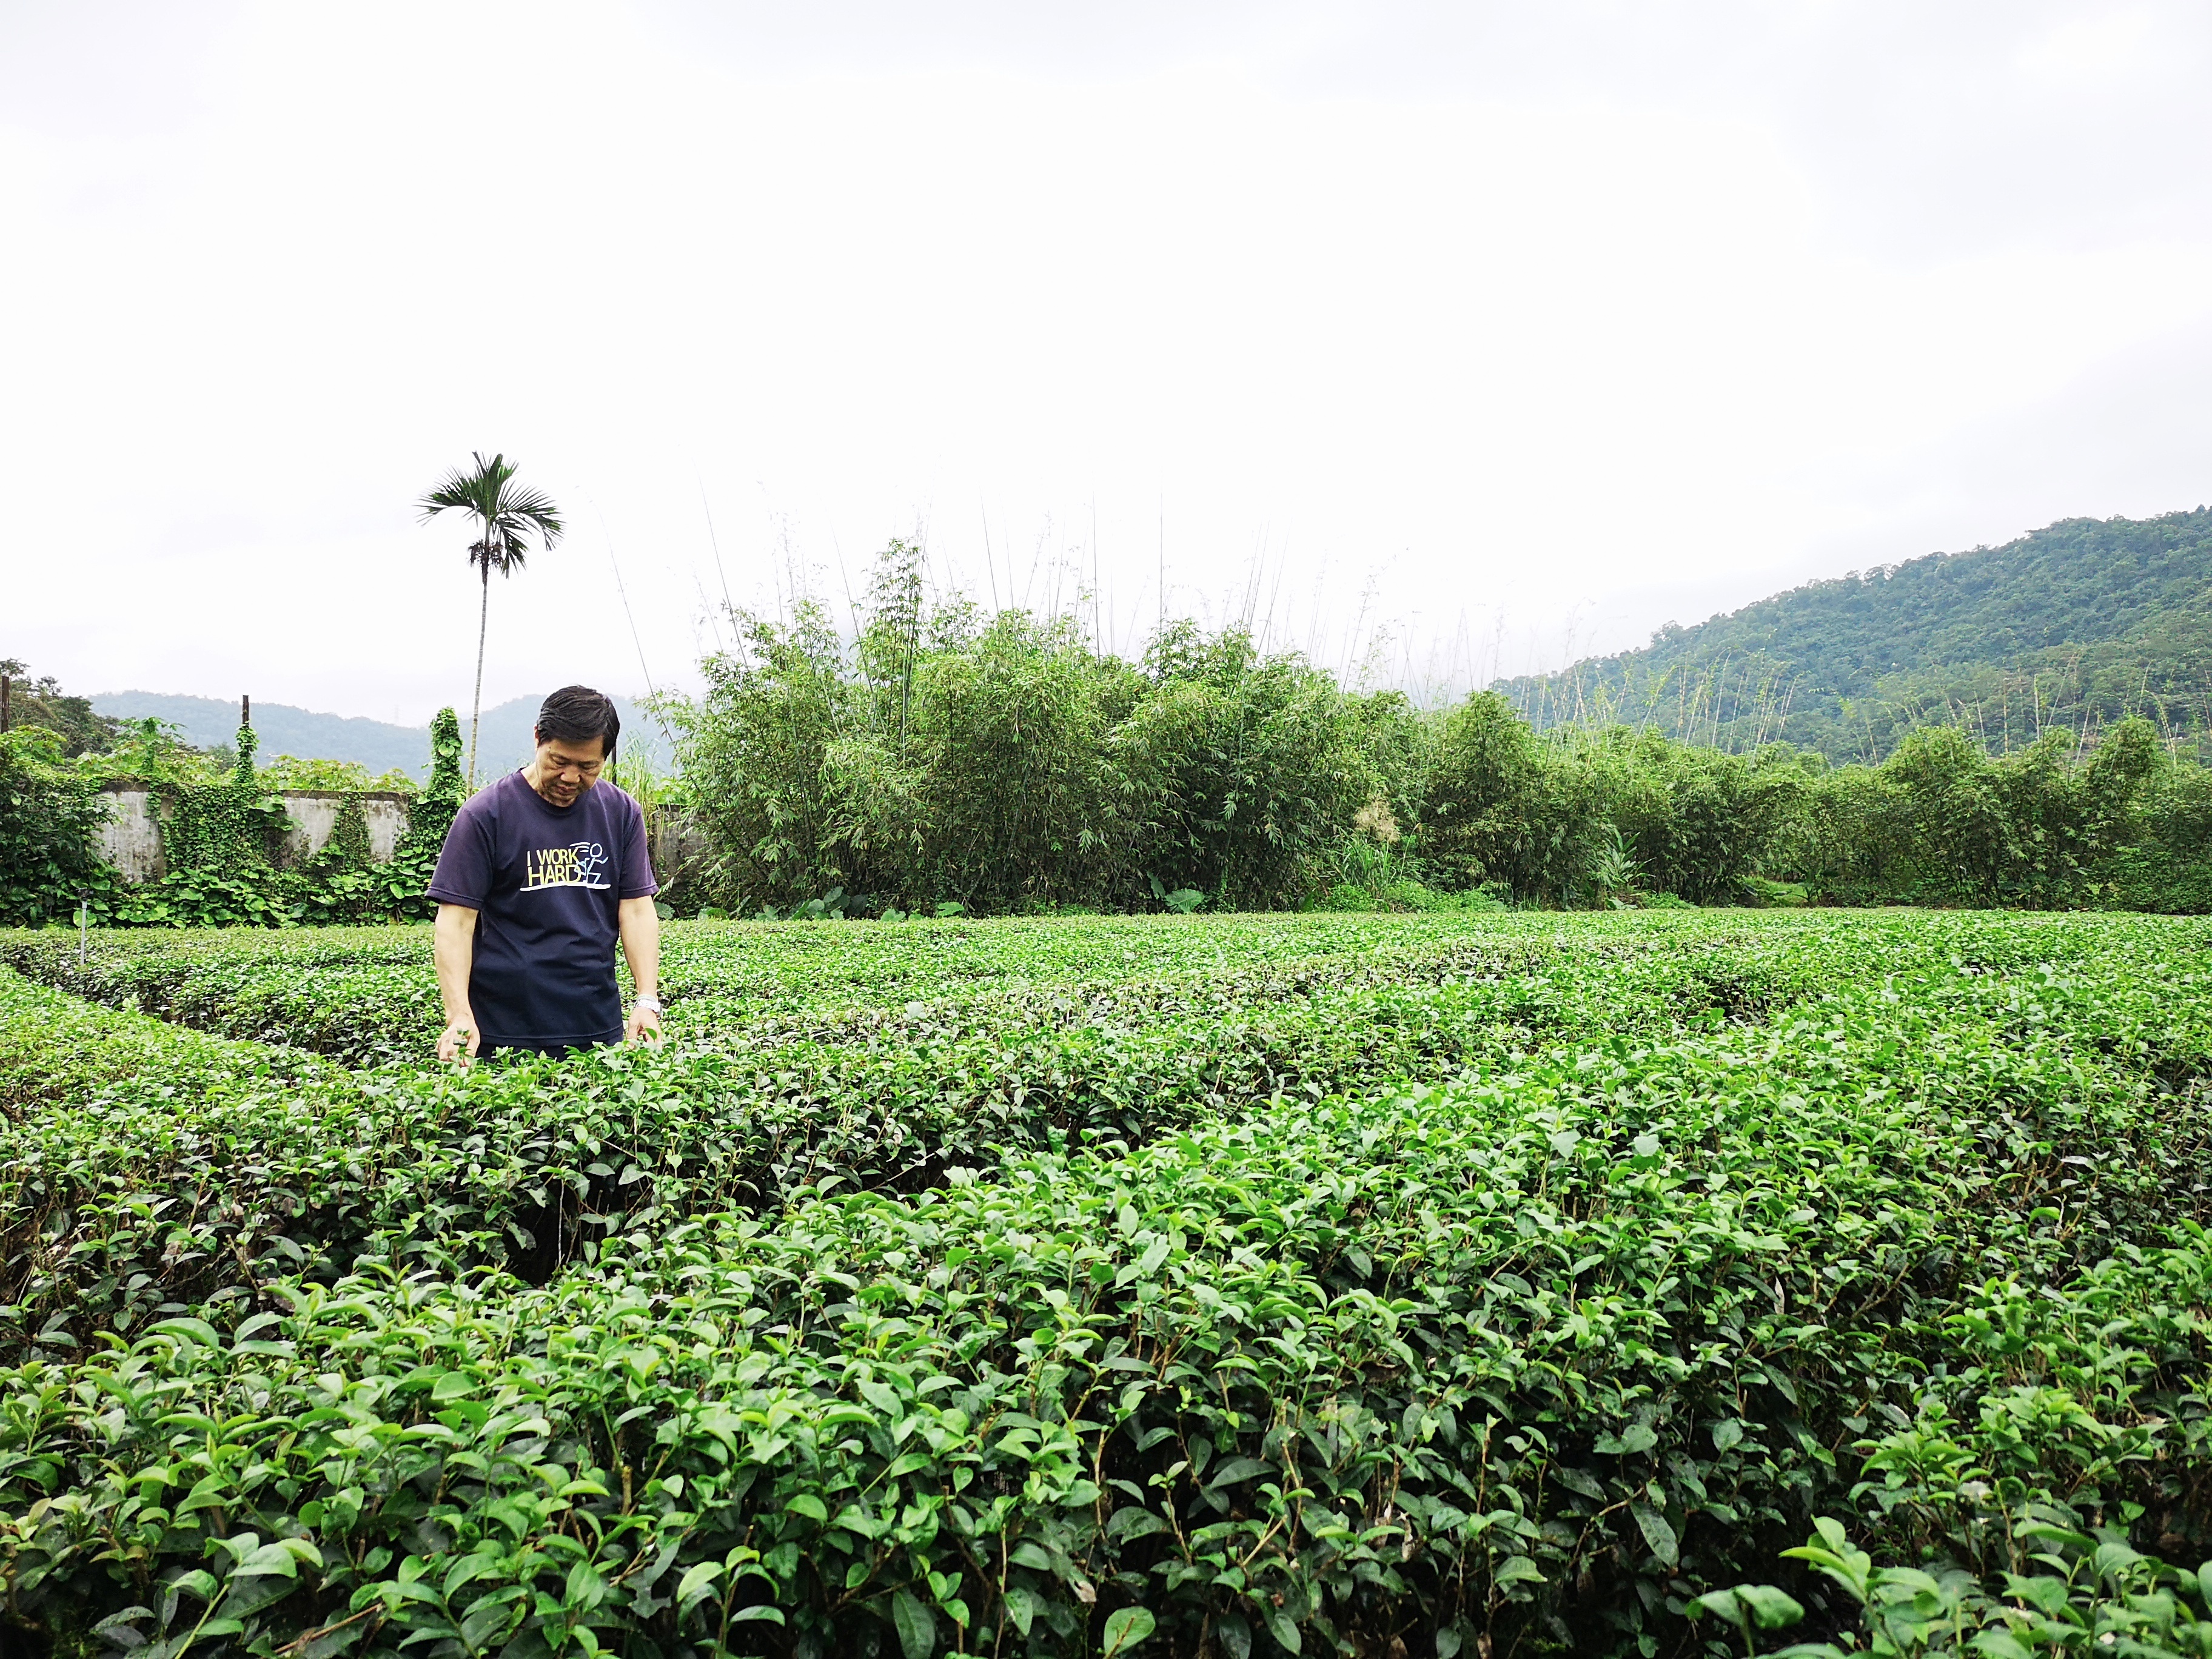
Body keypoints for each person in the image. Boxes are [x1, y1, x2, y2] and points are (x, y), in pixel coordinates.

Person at [429, 685, 663, 1061]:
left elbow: (636, 910)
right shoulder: (486, 814)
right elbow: (455, 922)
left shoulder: (621, 813)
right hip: (499, 1028)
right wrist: (458, 1014)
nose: (571, 777)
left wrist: (647, 1000)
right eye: (559, 761)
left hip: (594, 1024)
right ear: (538, 738)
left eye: (588, 767)